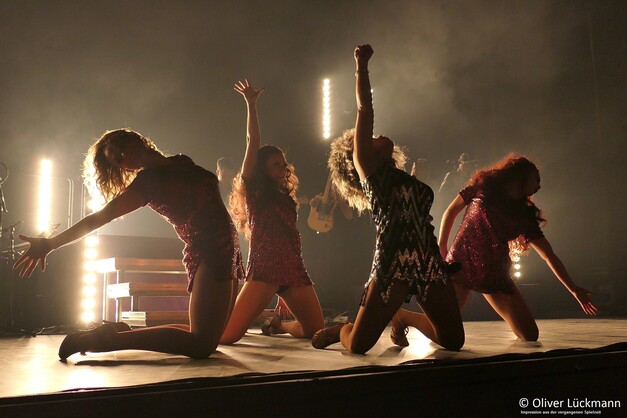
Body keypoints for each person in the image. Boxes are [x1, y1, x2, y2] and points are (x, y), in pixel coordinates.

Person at [14, 129, 244, 359]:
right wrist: (51, 243)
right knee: (201, 345)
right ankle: (107, 341)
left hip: (228, 247)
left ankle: (117, 333)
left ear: (137, 139)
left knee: (210, 338)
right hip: (208, 249)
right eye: (117, 159)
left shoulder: (181, 161)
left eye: (121, 146)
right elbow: (101, 217)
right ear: (123, 168)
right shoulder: (147, 183)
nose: (123, 155)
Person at [313, 44, 464, 354]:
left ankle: (404, 316)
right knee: (357, 345)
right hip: (392, 264)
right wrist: (361, 65)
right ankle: (342, 329)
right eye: (368, 138)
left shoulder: (404, 177)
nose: (374, 136)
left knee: (453, 341)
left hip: (427, 262)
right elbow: (364, 110)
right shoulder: (370, 173)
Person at [438, 154, 597, 341]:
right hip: (462, 263)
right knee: (442, 329)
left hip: (494, 273)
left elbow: (549, 255)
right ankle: (403, 319)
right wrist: (442, 246)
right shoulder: (483, 186)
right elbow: (451, 211)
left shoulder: (525, 214)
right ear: (521, 177)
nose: (539, 186)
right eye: (536, 179)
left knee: (530, 335)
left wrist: (573, 289)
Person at [219, 79, 325, 344]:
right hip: (265, 268)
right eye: (276, 164)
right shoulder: (254, 188)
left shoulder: (284, 195)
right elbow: (252, 140)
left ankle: (279, 327)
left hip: (293, 268)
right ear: (261, 168)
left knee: (316, 331)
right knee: (226, 336)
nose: (283, 168)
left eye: (284, 164)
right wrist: (251, 104)